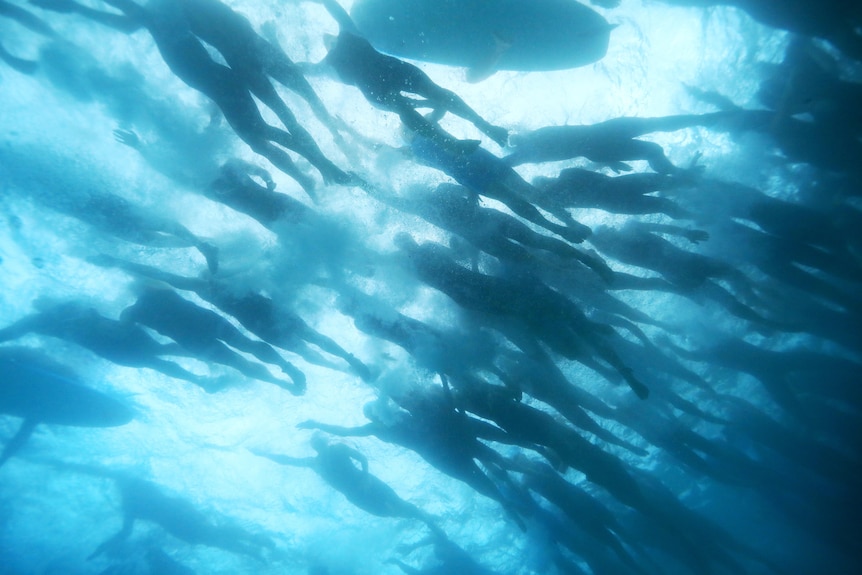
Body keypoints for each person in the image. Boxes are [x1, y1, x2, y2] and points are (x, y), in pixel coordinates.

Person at [31, 0, 353, 199]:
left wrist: (73, 7)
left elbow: (126, 14)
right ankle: (315, 171)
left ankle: (323, 165)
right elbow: (125, 16)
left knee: (269, 130)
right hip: (223, 82)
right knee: (263, 138)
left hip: (228, 78)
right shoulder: (160, 15)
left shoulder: (161, 14)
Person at [310, 0, 509, 147]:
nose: (329, 40)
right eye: (327, 41)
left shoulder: (335, 51)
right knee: (415, 101)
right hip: (383, 78)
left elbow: (332, 7)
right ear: (329, 44)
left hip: (384, 79)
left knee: (421, 99)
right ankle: (465, 136)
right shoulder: (339, 47)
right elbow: (333, 7)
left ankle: (468, 134)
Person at [120, 284, 306, 394]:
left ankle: (283, 382)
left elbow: (124, 329)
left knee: (238, 362)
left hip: (193, 339)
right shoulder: (158, 290)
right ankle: (288, 369)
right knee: (246, 346)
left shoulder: (132, 311)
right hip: (205, 322)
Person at [0, 299, 216, 390]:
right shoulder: (39, 320)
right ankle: (201, 376)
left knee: (157, 353)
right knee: (156, 357)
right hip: (114, 343)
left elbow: (92, 315)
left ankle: (204, 362)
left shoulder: (66, 307)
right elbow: (10, 332)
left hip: (119, 338)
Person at [252, 434, 441, 533]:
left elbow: (362, 458)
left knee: (397, 503)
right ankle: (422, 518)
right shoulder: (315, 462)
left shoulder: (338, 448)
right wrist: (264, 454)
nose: (319, 444)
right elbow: (288, 460)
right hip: (354, 494)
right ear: (316, 446)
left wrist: (366, 477)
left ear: (325, 441)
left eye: (320, 440)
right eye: (316, 442)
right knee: (387, 512)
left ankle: (427, 519)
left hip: (366, 483)